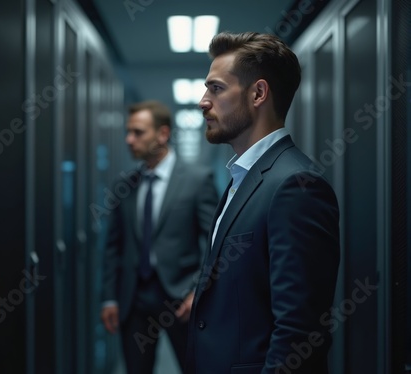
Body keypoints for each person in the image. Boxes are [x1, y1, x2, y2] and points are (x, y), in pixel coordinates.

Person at [185, 32, 340, 374]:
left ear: (258, 93)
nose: (203, 101)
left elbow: (299, 332)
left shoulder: (296, 185)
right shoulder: (244, 178)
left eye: (216, 88)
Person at [100, 100, 219, 374]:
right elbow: (113, 246)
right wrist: (109, 298)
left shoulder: (196, 180)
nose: (130, 140)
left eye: (138, 132)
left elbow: (214, 242)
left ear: (163, 134)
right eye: (128, 132)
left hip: (181, 297)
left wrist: (198, 290)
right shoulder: (125, 184)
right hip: (134, 298)